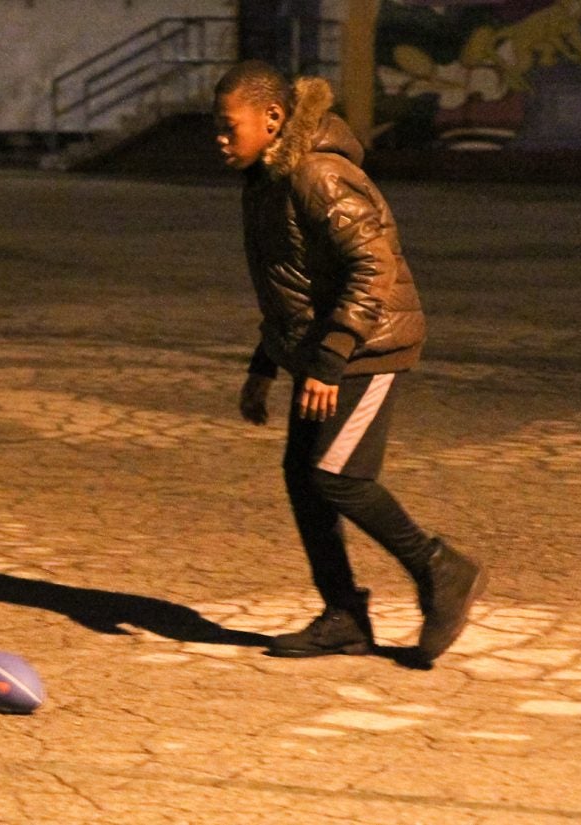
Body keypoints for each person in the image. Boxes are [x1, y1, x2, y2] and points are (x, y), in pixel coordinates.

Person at [213, 60, 485, 662]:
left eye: (230, 125)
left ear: (274, 118)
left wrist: (333, 357)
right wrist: (264, 366)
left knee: (337, 477)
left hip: (368, 346)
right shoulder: (265, 180)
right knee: (304, 480)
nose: (221, 138)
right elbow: (292, 286)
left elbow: (374, 266)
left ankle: (442, 571)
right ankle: (344, 617)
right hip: (323, 349)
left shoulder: (317, 174)